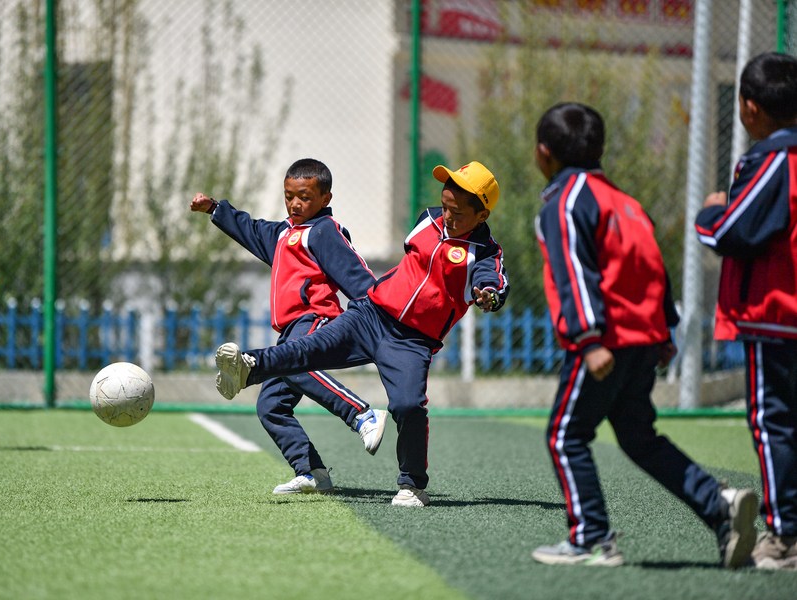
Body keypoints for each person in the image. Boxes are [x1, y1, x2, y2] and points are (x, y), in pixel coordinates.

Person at [530, 102, 757, 568]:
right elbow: (653, 266)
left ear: (543, 152)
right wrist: (665, 331)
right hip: (643, 339)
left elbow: (574, 272)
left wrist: (588, 339)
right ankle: (719, 506)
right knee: (638, 437)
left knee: (565, 436)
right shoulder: (626, 202)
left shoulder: (566, 201)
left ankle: (591, 539)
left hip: (605, 341)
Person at [213, 160, 508, 507]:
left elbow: (492, 280)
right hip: (371, 315)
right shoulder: (427, 219)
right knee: (308, 349)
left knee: (408, 406)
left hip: (412, 341)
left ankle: (412, 485)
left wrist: (489, 294)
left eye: (456, 212)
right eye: (444, 205)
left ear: (482, 216)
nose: (446, 216)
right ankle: (249, 366)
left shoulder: (485, 253)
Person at [190, 158, 386, 495]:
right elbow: (250, 229)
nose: (295, 204)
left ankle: (361, 415)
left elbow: (357, 276)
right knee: (270, 406)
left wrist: (376, 310)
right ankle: (311, 472)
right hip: (290, 328)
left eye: (305, 197)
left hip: (315, 319)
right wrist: (215, 209)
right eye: (289, 195)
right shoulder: (283, 233)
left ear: (325, 198)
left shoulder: (324, 231)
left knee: (296, 365)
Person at [695, 52, 797, 571]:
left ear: (749, 108)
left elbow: (733, 232)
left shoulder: (775, 159)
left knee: (773, 421)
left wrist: (712, 210)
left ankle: (786, 537)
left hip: (775, 315)